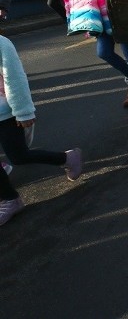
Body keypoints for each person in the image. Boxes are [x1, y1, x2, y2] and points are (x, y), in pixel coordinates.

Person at [0, 35, 83, 226]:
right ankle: (9, 199)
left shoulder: (2, 44)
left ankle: (67, 158)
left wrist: (23, 111)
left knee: (19, 157)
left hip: (5, 113)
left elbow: (15, 78)